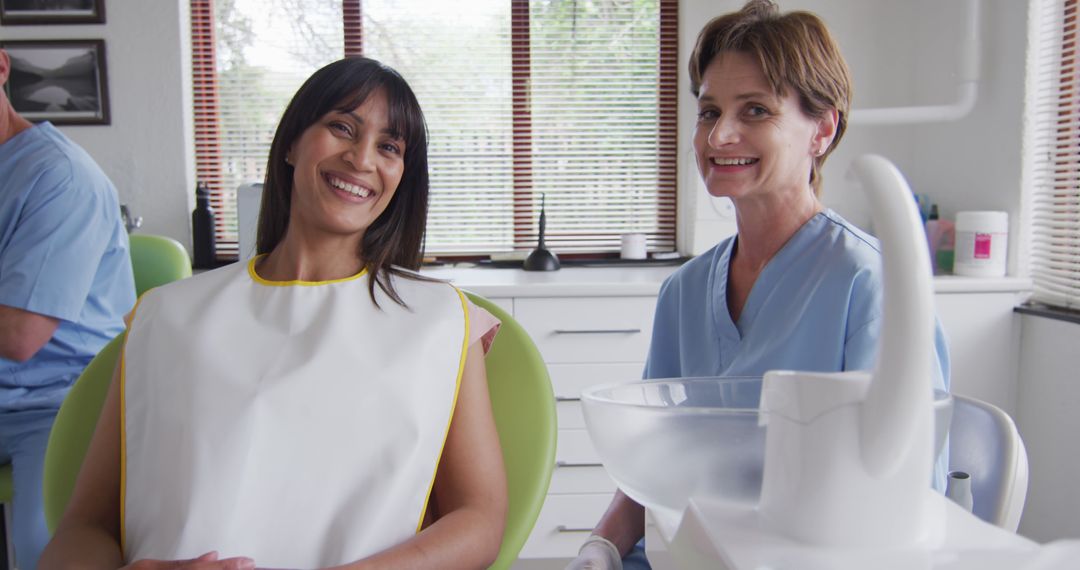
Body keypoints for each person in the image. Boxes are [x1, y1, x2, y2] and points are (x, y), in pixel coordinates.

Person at [40, 57, 508, 569]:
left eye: (389, 147)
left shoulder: (441, 320)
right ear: (291, 144)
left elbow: (479, 521)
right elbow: (81, 531)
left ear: (402, 177)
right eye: (341, 127)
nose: (361, 158)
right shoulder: (165, 317)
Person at [567, 2, 951, 569]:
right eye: (709, 111)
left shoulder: (869, 285)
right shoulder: (685, 292)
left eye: (755, 110)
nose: (720, 135)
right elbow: (654, 465)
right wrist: (599, 547)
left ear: (822, 129)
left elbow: (905, 497)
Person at [0, 48, 136, 570]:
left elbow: (19, 334)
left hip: (58, 401)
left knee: (45, 551)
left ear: (3, 67)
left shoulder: (58, 176)